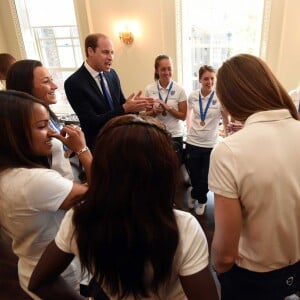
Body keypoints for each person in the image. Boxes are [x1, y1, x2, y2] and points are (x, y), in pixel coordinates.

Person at [29, 114, 219, 300]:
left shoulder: (79, 219)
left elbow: (39, 282)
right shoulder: (182, 227)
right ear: (165, 172)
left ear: (102, 167)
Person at [209, 54, 300, 300]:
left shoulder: (228, 151)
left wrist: (217, 267)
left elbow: (225, 254)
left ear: (230, 99)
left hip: (252, 279)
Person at [0, 90, 92, 299]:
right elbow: (101, 193)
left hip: (30, 265)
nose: (51, 132)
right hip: (58, 278)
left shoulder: (8, 174)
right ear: (13, 133)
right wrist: (82, 148)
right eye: (42, 126)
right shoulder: (32, 181)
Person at [65, 33, 154, 150]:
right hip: (99, 146)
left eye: (112, 52)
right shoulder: (74, 83)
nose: (111, 57)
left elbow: (121, 105)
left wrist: (133, 107)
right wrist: (125, 108)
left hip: (121, 141)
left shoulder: (112, 74)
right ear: (91, 51)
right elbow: (91, 123)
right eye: (105, 52)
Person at [6, 59, 74, 180]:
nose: (55, 86)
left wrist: (69, 146)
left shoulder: (49, 115)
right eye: (46, 81)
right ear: (26, 87)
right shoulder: (22, 127)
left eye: (52, 79)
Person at [185, 65, 229, 215]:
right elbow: (188, 113)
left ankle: (199, 197)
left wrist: (228, 134)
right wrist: (189, 127)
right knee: (194, 174)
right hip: (193, 142)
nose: (209, 81)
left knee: (206, 177)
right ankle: (199, 194)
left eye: (212, 78)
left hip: (210, 144)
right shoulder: (192, 96)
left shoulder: (220, 97)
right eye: (206, 78)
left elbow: (225, 118)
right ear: (200, 80)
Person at [145, 54, 187, 162]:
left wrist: (168, 108)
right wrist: (154, 111)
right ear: (156, 70)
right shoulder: (150, 89)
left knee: (175, 169)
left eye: (169, 69)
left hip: (175, 135)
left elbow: (183, 116)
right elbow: (147, 116)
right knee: (158, 169)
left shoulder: (180, 89)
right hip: (156, 134)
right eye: (163, 69)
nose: (167, 72)